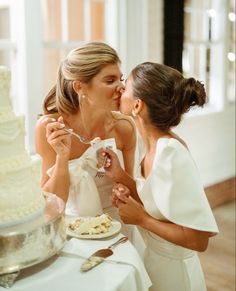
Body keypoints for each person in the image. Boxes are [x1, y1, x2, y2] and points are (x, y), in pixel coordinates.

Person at [99, 62, 219, 291]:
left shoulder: (172, 155)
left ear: (137, 106)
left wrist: (141, 219)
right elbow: (159, 201)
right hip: (155, 262)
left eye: (126, 86)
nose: (119, 90)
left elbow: (198, 240)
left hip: (176, 276)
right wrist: (120, 176)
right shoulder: (151, 146)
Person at [35, 42, 137, 236]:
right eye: (110, 81)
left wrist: (122, 189)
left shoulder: (125, 127)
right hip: (73, 230)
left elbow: (135, 191)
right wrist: (62, 157)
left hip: (118, 229)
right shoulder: (49, 128)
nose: (122, 88)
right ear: (79, 87)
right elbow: (51, 206)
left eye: (121, 79)